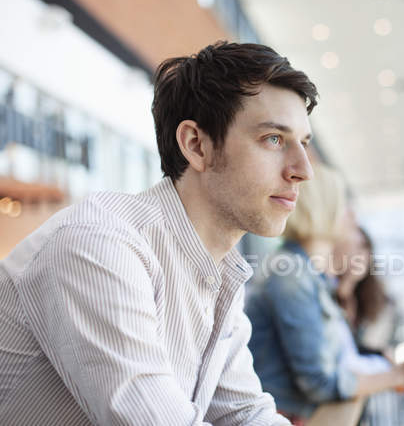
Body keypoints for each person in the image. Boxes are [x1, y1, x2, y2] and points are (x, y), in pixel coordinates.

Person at [0, 41, 317, 425]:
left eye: (303, 143)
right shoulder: (99, 244)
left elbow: (244, 414)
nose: (303, 169)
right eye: (274, 139)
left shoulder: (218, 276)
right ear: (196, 145)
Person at [245, 164, 404, 423]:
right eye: (343, 204)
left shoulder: (309, 275)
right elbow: (320, 382)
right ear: (322, 209)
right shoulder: (292, 276)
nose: (352, 216)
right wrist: (399, 375)